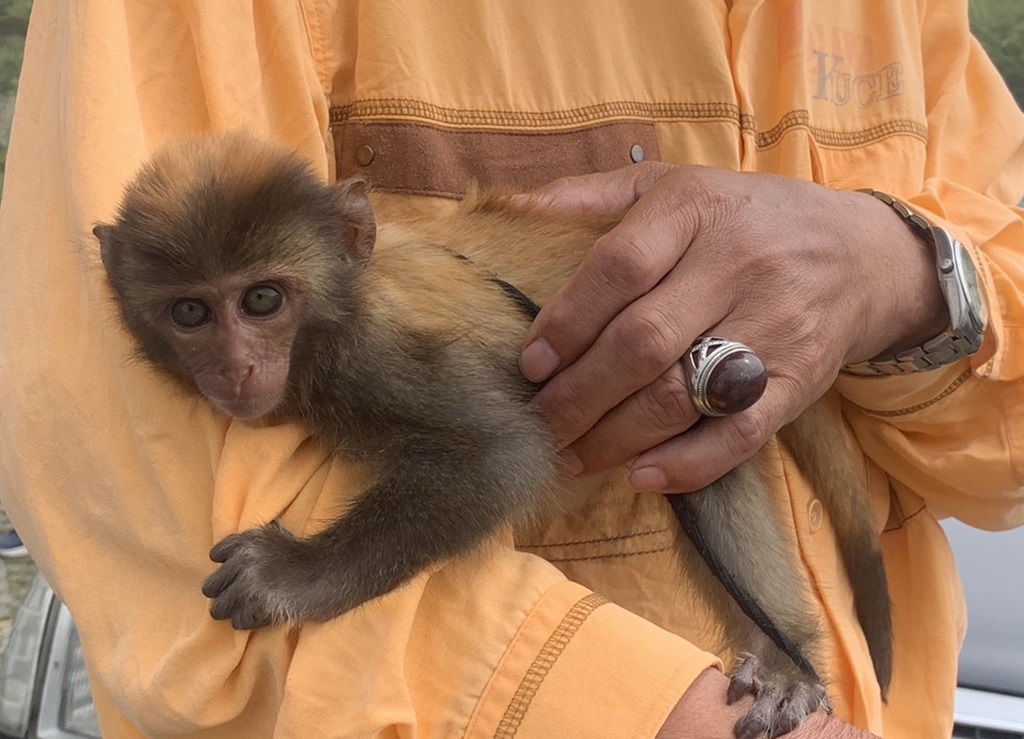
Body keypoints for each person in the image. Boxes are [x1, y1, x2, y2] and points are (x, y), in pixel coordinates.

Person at [0, 1, 1021, 737]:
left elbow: (997, 465)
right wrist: (662, 715)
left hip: (871, 699)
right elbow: (119, 460)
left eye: (261, 304)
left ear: (350, 241)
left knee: (703, 445)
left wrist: (911, 274)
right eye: (192, 317)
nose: (233, 362)